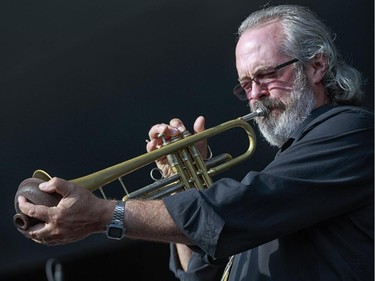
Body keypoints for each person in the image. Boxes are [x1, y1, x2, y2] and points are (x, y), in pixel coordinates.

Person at [17, 4, 373, 281]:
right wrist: (183, 180)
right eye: (245, 85)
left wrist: (104, 215)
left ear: (316, 66)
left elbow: (243, 206)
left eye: (266, 75)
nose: (256, 95)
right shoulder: (286, 166)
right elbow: (199, 274)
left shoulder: (352, 132)